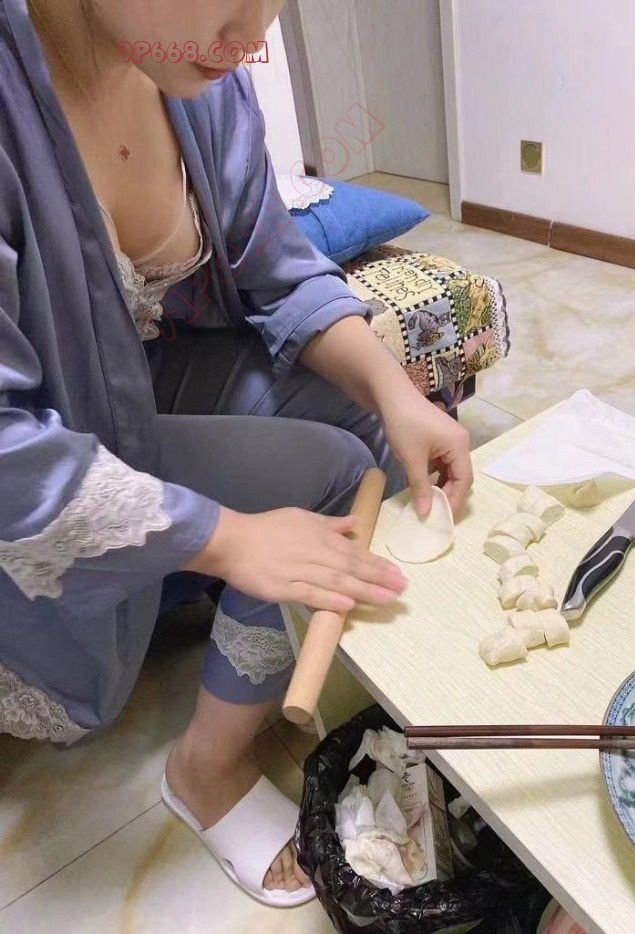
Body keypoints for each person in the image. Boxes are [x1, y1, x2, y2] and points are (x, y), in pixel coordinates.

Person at [0, 0, 472, 907]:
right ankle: (204, 768)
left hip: (133, 385)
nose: (254, 40)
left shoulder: (203, 80)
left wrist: (397, 392)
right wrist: (228, 538)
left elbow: (274, 267)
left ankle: (322, 648)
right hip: (44, 436)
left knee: (377, 422)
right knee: (331, 477)